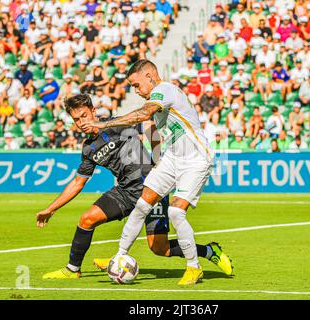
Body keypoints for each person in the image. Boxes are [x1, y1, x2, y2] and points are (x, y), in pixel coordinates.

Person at [38, 93, 231, 280]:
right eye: (77, 120)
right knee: (87, 219)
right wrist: (51, 209)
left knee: (159, 248)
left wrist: (157, 162)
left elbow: (151, 128)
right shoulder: (88, 148)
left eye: (84, 116)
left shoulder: (117, 124)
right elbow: (78, 183)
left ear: (93, 111)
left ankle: (209, 251)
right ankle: (73, 269)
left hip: (152, 189)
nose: (82, 123)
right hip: (125, 191)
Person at [78, 60, 233, 285]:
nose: (136, 90)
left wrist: (102, 125)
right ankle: (120, 255)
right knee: (142, 205)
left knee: (176, 212)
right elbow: (155, 130)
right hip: (173, 158)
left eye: (136, 85)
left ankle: (194, 267)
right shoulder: (159, 99)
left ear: (150, 76)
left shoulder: (164, 90)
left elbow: (142, 114)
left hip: (195, 157)